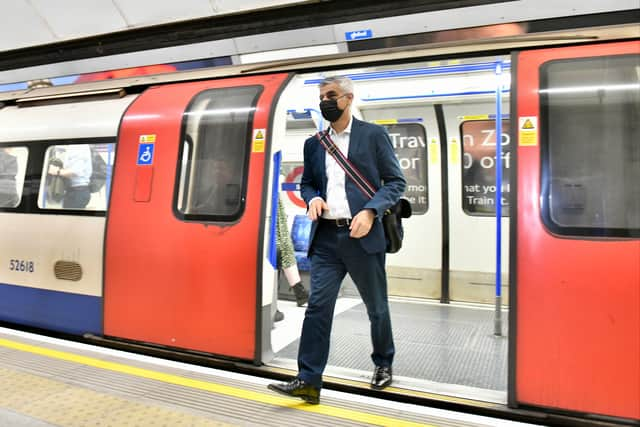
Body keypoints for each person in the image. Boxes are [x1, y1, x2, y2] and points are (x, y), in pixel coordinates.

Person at [268, 76, 406, 404]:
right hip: (327, 237)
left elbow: (395, 182)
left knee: (376, 307)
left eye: (331, 95)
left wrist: (371, 211)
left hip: (363, 236)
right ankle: (308, 379)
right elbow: (309, 184)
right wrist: (312, 197)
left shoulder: (373, 135)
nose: (325, 101)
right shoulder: (314, 143)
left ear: (348, 98)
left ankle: (383, 363)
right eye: (321, 96)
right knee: (317, 308)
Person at [273, 194, 309, 322]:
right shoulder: (271, 195)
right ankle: (299, 293)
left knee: (281, 250)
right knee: (280, 251)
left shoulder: (273, 196)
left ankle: (300, 293)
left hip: (275, 239)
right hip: (272, 239)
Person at [48, 145, 93, 209]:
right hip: (76, 191)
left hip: (77, 192)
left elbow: (76, 171)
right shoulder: (76, 147)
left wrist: (57, 171)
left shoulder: (78, 146)